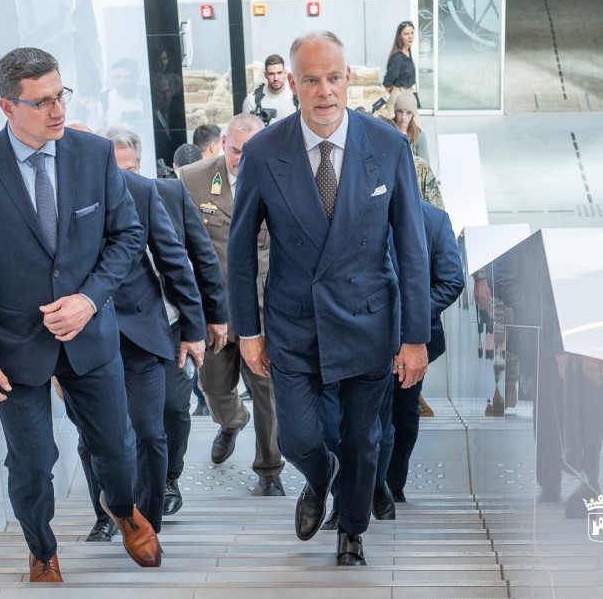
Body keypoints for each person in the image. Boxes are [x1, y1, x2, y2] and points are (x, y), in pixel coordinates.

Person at [0, 47, 158, 582]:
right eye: (41, 102)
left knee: (117, 449)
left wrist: (89, 299)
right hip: (12, 347)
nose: (57, 110)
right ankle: (41, 547)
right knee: (33, 463)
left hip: (90, 334)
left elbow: (128, 236)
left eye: (61, 96)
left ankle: (123, 509)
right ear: (7, 107)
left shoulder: (95, 154)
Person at [228, 31, 430, 567]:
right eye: (311, 80)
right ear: (292, 84)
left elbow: (413, 250)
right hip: (294, 324)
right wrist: (249, 331)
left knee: (363, 441)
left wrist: (415, 338)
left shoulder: (388, 146)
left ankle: (352, 532)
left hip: (369, 321)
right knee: (298, 438)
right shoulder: (264, 151)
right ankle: (320, 477)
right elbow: (241, 250)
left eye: (334, 78)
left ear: (349, 79)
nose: (325, 91)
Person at [75, 127, 207, 543]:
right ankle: (107, 513)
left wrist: (194, 328)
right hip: (82, 335)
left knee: (149, 430)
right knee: (94, 437)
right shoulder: (52, 199)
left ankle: (146, 522)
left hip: (142, 330)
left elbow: (176, 261)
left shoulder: (142, 190)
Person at [105, 128, 230, 518]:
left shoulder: (169, 193)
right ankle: (130, 494)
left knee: (175, 408)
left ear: (140, 165)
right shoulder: (96, 205)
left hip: (172, 324)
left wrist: (214, 317)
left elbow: (201, 257)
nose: (121, 178)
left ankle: (168, 477)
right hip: (122, 330)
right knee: (129, 417)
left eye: (128, 169)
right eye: (114, 169)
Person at [321, 199, 463, 527]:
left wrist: (409, 318)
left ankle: (386, 485)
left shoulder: (434, 219)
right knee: (348, 423)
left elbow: (451, 281)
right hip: (356, 337)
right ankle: (350, 499)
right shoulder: (352, 210)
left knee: (400, 418)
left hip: (410, 341)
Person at [179, 113, 286, 497]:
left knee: (267, 391)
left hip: (263, 309)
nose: (243, 158)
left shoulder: (282, 177)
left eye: (250, 151)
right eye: (237, 150)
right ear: (223, 143)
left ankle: (270, 469)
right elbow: (178, 245)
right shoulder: (193, 178)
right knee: (214, 388)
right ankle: (231, 421)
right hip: (215, 311)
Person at [242, 54, 299, 126]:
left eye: (279, 73)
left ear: (285, 73)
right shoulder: (252, 101)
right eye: (271, 74)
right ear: (265, 75)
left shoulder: (298, 96)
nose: (276, 78)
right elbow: (247, 130)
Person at [382, 21, 419, 119]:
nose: (410, 37)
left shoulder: (408, 52)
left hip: (408, 92)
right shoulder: (397, 57)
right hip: (399, 94)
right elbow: (388, 81)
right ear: (400, 36)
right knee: (398, 125)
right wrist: (396, 92)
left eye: (412, 33)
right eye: (406, 34)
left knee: (413, 125)